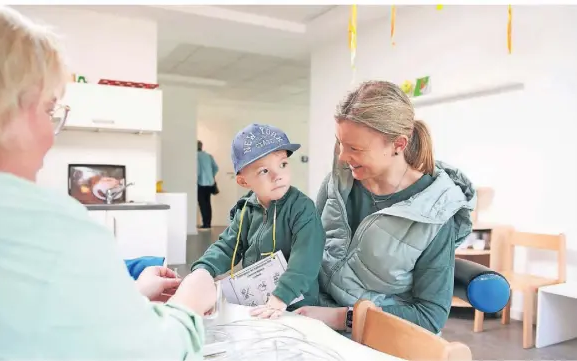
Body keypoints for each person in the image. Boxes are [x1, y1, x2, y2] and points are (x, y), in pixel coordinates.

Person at [0, 5, 216, 360]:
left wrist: (130, 293)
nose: (51, 136)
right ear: (0, 110)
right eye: (48, 110)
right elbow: (153, 352)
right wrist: (190, 304)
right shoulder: (51, 231)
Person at [294, 81, 476, 335]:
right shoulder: (337, 182)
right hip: (313, 318)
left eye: (355, 148)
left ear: (398, 145)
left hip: (374, 334)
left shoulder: (435, 214)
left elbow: (429, 315)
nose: (342, 157)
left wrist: (340, 318)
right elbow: (309, 250)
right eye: (340, 143)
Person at [191, 124, 326, 319]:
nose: (277, 175)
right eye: (264, 171)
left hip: (296, 305)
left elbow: (306, 259)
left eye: (283, 164)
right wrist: (203, 271)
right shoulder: (246, 209)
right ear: (244, 181)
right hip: (258, 302)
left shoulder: (302, 208)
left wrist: (281, 297)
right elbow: (227, 246)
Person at [197, 140, 219, 230]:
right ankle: (208, 223)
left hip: (200, 183)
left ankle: (205, 224)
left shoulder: (195, 156)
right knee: (208, 203)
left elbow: (197, 170)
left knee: (202, 204)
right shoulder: (208, 156)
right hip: (210, 183)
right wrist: (211, 175)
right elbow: (216, 168)